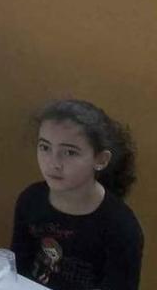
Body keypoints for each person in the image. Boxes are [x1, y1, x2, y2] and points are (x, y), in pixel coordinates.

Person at [11, 100, 143, 290]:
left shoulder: (120, 226)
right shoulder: (31, 200)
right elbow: (18, 274)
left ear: (101, 160)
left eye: (70, 152)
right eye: (45, 147)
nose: (53, 163)